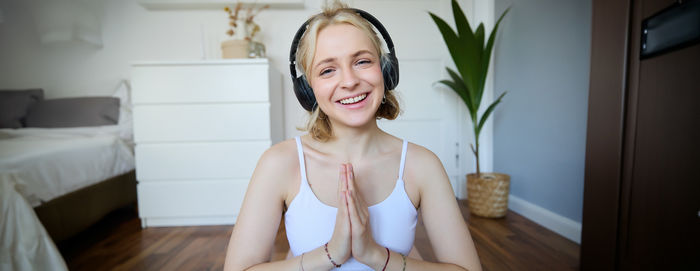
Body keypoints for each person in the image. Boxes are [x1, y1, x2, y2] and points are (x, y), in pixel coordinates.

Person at [223, 2, 481, 270]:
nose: (349, 81)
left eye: (362, 61)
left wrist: (375, 254)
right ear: (308, 90)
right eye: (327, 70)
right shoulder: (279, 163)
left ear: (386, 70)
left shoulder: (423, 165)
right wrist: (332, 252)